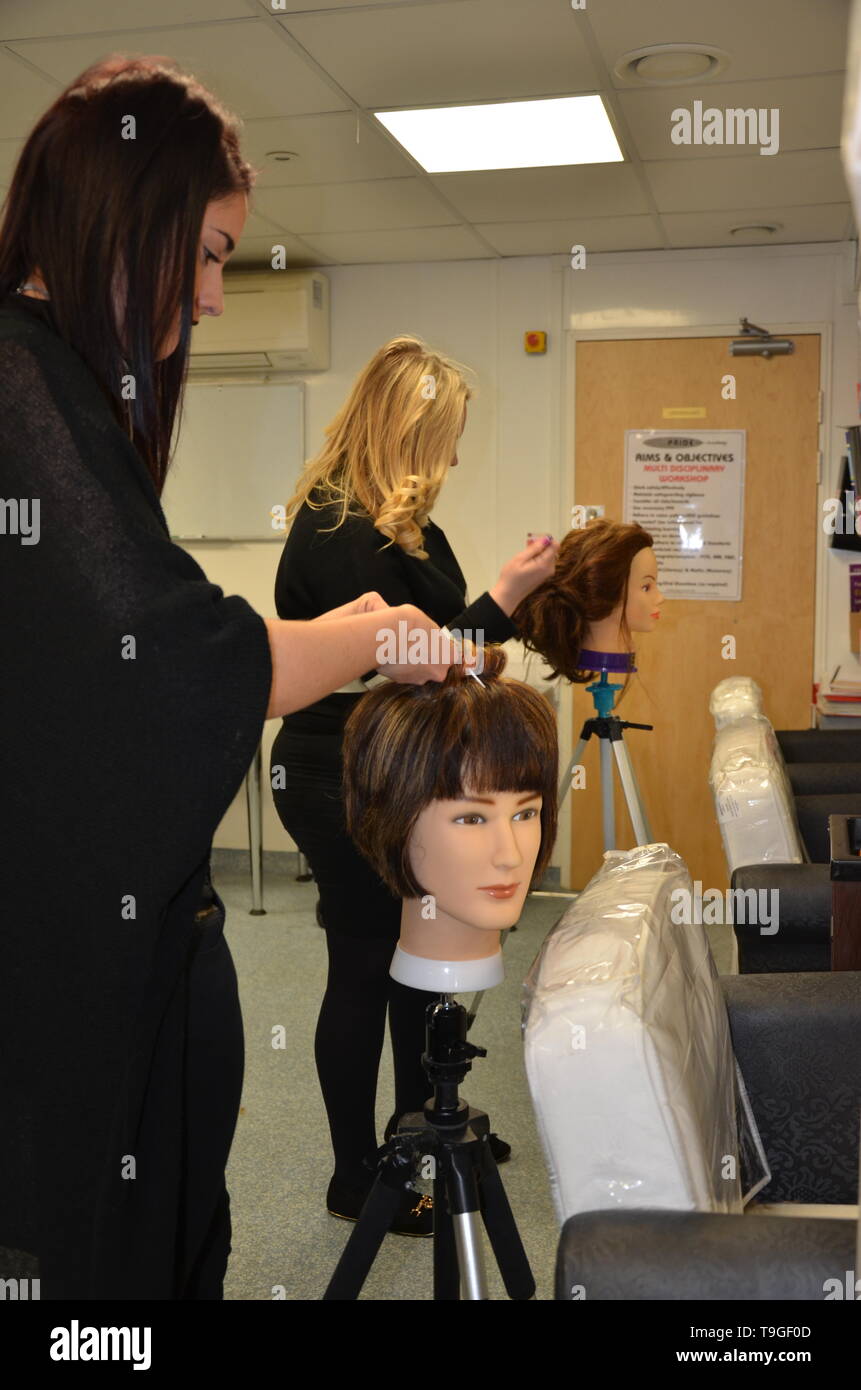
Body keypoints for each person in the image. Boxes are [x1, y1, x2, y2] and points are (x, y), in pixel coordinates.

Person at [0, 56, 458, 1300]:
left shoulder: (63, 389)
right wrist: (366, 637)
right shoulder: (22, 386)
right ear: (123, 215)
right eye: (203, 254)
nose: (211, 297)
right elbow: (158, 654)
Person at [271, 336, 559, 1233]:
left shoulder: (404, 525)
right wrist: (506, 595)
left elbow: (435, 649)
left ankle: (420, 1133)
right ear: (410, 427)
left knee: (404, 966)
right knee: (363, 964)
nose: (458, 455)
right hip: (337, 772)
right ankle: (355, 1176)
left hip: (387, 763)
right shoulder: (340, 525)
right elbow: (412, 659)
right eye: (449, 434)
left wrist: (482, 639)